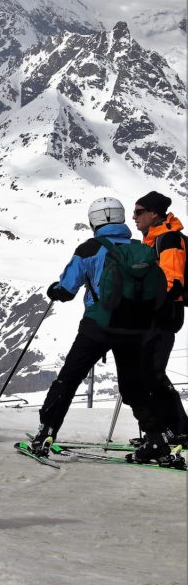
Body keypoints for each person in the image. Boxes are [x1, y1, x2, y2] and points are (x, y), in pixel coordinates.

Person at [33, 197, 170, 463]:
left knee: (69, 379)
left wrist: (55, 290)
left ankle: (45, 435)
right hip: (135, 328)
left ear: (94, 220)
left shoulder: (90, 248)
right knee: (134, 386)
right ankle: (157, 441)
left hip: (98, 325)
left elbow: (67, 289)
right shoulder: (139, 248)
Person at [133, 191, 187, 446]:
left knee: (152, 373)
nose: (134, 217)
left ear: (154, 213)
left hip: (164, 314)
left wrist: (146, 306)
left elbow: (171, 281)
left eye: (139, 212)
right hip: (158, 314)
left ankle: (179, 430)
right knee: (148, 373)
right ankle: (170, 429)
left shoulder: (168, 239)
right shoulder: (154, 240)